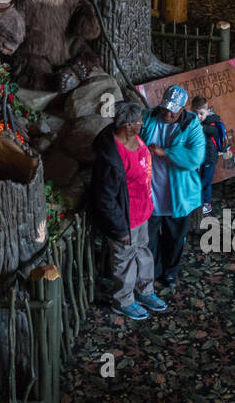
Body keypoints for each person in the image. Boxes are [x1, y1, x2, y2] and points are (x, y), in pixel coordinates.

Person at [91, 101, 168, 320]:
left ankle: (145, 291)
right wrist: (119, 228)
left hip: (142, 211)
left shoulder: (134, 137)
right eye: (138, 122)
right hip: (125, 219)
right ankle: (123, 300)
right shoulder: (111, 158)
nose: (141, 124)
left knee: (143, 252)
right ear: (126, 126)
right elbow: (104, 198)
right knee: (124, 261)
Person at [141, 85, 205, 289]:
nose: (167, 114)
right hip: (151, 191)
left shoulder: (191, 125)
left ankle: (169, 272)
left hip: (177, 193)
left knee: (175, 237)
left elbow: (196, 157)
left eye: (172, 110)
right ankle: (154, 270)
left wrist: (166, 152)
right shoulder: (150, 118)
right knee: (149, 237)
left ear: (182, 109)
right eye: (165, 108)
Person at [191, 94, 226, 216]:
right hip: (199, 158)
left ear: (207, 111)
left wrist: (201, 128)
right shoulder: (194, 121)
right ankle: (201, 201)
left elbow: (214, 132)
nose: (198, 116)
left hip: (209, 159)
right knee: (201, 179)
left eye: (201, 113)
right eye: (195, 113)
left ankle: (206, 204)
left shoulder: (212, 123)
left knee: (206, 181)